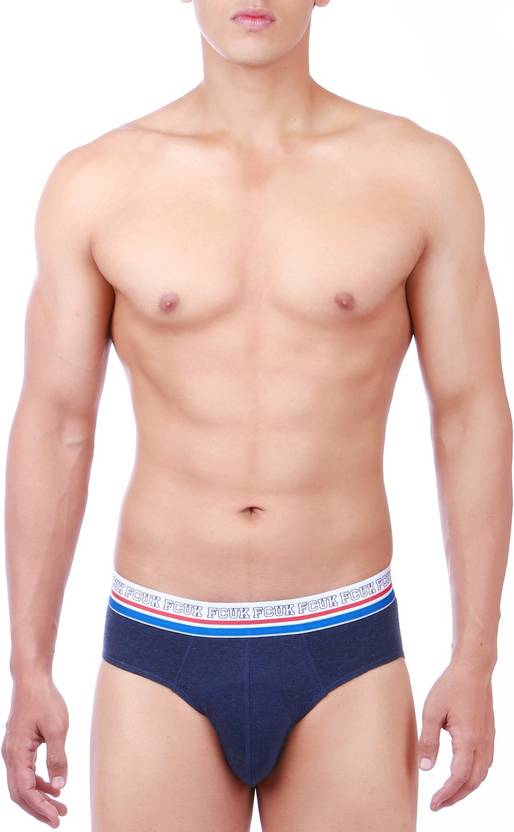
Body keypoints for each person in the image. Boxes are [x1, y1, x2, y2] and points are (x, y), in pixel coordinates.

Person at [2, 1, 512, 830]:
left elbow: (470, 416)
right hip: (159, 646)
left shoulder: (418, 175)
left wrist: (477, 657)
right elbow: (56, 425)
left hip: (345, 643)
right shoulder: (97, 184)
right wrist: (28, 665)